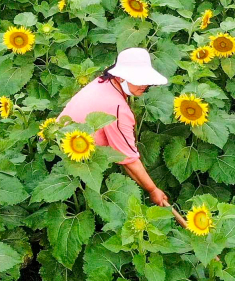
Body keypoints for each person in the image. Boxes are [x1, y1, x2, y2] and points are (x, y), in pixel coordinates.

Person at [57, 48, 170, 206]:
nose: (144, 84)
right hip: (69, 161)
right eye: (137, 79)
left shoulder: (103, 82)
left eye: (145, 79)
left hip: (57, 142)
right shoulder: (116, 109)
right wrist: (152, 190)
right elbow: (127, 159)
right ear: (120, 77)